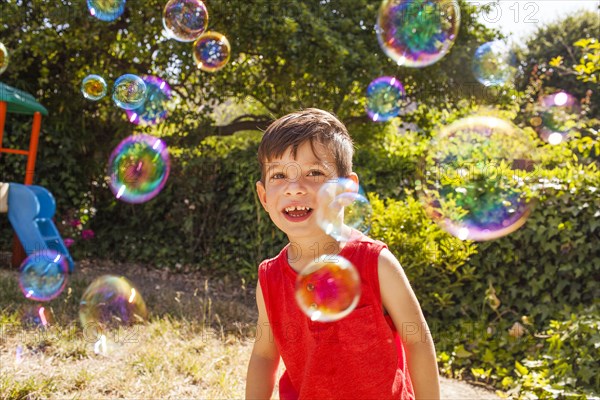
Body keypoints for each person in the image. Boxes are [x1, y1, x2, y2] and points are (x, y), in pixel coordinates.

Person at [245, 108, 440, 399]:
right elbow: (263, 355)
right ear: (264, 197)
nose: (294, 188)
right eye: (279, 175)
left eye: (314, 172)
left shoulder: (375, 263)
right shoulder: (270, 277)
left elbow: (418, 342)